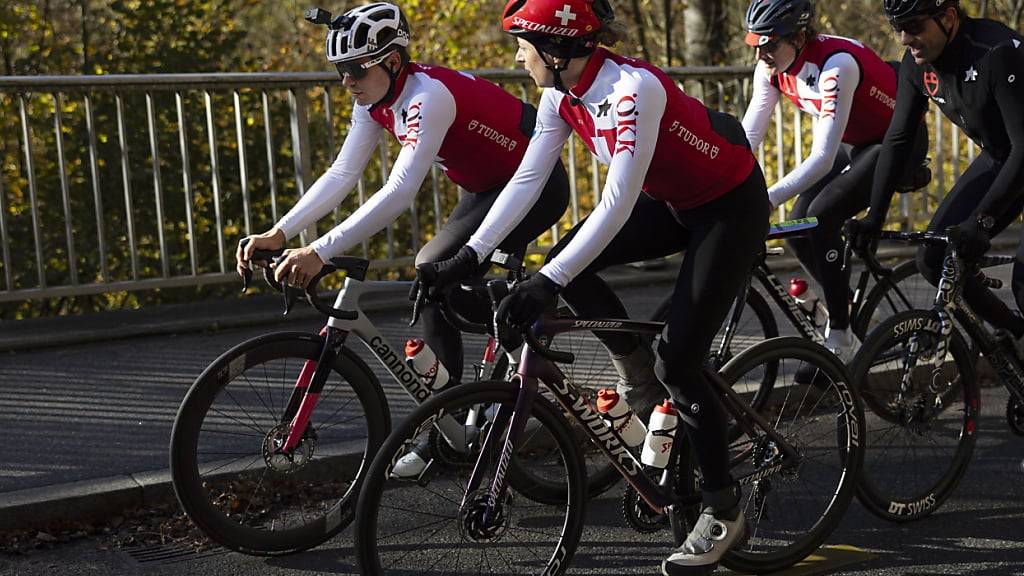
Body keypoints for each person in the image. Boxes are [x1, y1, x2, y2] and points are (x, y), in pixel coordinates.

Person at [427, 1, 768, 572]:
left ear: (556, 51)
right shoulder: (560, 94)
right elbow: (529, 177)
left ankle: (723, 508)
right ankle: (634, 370)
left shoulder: (632, 90)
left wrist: (543, 284)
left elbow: (617, 202)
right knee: (567, 262)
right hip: (673, 200)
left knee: (679, 361)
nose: (516, 55)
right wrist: (469, 254)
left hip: (728, 206)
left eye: (523, 44)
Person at [235, 2, 570, 474]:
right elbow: (344, 172)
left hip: (537, 185)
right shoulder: (376, 100)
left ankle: (503, 355)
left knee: (432, 274)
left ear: (392, 62)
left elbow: (399, 192)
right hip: (488, 189)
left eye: (355, 69)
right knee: (437, 281)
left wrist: (320, 250)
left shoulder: (427, 96)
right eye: (339, 71)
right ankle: (461, 416)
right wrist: (282, 231)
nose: (347, 82)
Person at [742, 0, 927, 364]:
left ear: (798, 35)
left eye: (771, 44)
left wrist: (768, 198)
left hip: (896, 142)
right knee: (798, 227)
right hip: (857, 142)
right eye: (756, 45)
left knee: (821, 215)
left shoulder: (835, 65)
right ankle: (844, 303)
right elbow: (749, 136)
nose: (762, 54)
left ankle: (842, 338)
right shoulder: (769, 68)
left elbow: (822, 157)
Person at [857, 0, 1024, 342]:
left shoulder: (997, 53)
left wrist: (982, 222)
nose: (904, 38)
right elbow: (899, 139)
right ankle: (1015, 336)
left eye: (914, 26)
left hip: (1020, 152)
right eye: (897, 28)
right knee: (934, 259)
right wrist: (875, 215)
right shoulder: (918, 65)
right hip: (1002, 156)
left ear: (948, 17)